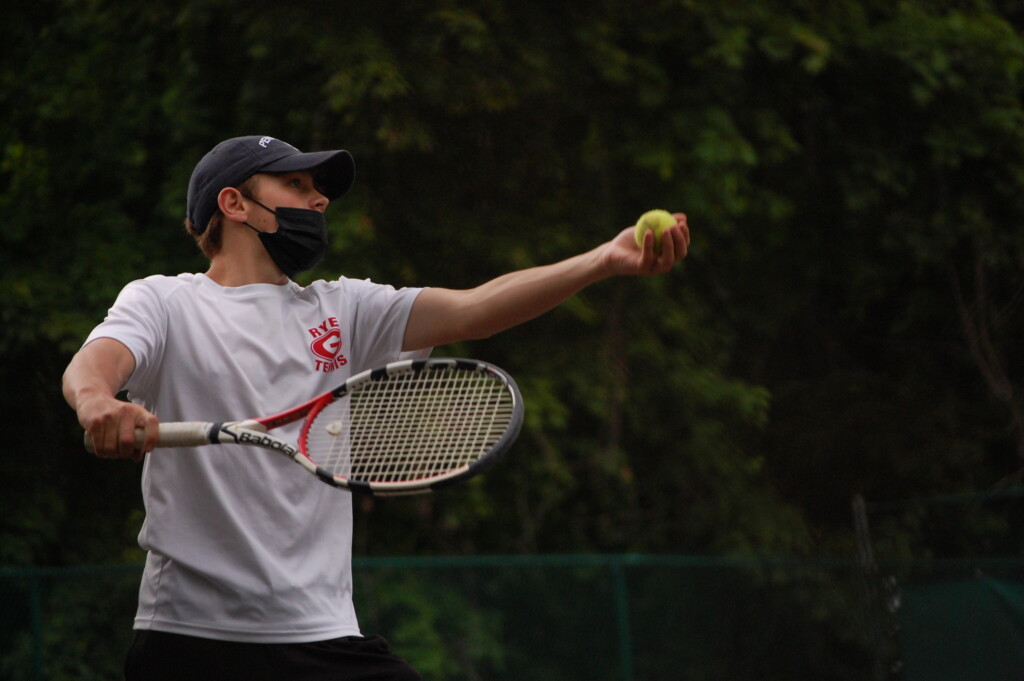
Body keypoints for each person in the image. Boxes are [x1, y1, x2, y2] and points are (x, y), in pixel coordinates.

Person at [62, 135, 689, 681]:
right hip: (187, 639)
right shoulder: (164, 303)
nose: (319, 200)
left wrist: (602, 261)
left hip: (322, 636)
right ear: (233, 203)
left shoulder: (345, 308)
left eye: (319, 188)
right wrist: (98, 404)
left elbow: (478, 306)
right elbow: (95, 365)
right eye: (297, 183)